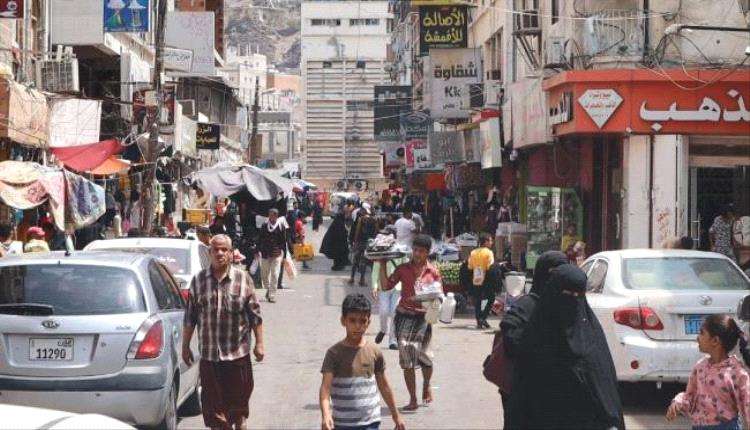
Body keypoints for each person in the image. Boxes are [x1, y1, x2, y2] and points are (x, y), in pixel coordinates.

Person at [515, 264, 624, 429]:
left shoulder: (591, 337)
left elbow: (606, 393)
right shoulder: (535, 337)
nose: (572, 300)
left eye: (578, 295)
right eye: (567, 294)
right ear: (553, 293)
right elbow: (520, 395)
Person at [182, 234, 264, 430]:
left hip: (237, 358)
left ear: (230, 253)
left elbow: (255, 316)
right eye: (215, 250)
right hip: (210, 358)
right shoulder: (199, 281)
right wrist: (185, 347)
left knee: (238, 413)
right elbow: (190, 317)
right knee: (215, 414)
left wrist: (260, 344)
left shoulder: (243, 279)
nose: (219, 253)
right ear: (209, 253)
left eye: (224, 250)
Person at [500, 251, 568, 428]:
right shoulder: (525, 307)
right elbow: (511, 341)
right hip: (524, 394)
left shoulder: (572, 306)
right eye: (553, 275)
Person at [319, 294, 406, 430]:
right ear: (343, 321)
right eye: (352, 320)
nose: (357, 326)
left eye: (362, 321)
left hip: (371, 422)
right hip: (343, 423)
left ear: (368, 323)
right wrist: (326, 415)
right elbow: (325, 388)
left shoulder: (374, 351)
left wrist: (396, 415)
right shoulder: (334, 353)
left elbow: (384, 385)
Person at [379, 234, 440, 411]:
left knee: (425, 358)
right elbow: (386, 286)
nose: (417, 254)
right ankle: (413, 399)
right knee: (407, 360)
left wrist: (430, 301)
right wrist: (382, 264)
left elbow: (438, 296)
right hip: (404, 317)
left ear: (427, 253)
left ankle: (426, 384)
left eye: (421, 251)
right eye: (415, 250)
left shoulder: (433, 272)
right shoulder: (402, 269)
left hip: (423, 319)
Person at [666, 314, 749, 430]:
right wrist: (678, 403)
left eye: (701, 333)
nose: (697, 338)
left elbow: (747, 404)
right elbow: (690, 396)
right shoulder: (700, 367)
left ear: (715, 341)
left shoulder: (736, 373)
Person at [372, 253, 407, 350]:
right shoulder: (381, 251)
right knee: (383, 311)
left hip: (398, 287)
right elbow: (375, 271)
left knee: (394, 312)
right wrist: (374, 286)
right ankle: (383, 330)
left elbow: (406, 269)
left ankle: (393, 341)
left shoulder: (401, 252)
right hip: (384, 286)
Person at [257, 209, 288, 303]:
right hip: (265, 254)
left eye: (273, 215)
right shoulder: (264, 225)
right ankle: (268, 289)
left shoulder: (281, 226)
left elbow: (283, 241)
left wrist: (285, 256)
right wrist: (257, 250)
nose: (271, 217)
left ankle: (272, 295)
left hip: (276, 254)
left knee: (275, 274)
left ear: (276, 216)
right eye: (270, 215)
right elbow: (260, 239)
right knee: (264, 275)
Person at [468, 233, 495, 329]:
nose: (492, 242)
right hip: (486, 278)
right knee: (491, 298)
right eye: (490, 240)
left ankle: (479, 320)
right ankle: (483, 317)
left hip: (476, 277)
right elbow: (490, 266)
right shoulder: (489, 252)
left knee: (478, 300)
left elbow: (470, 266)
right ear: (486, 242)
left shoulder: (473, 252)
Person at [349, 204, 378, 286]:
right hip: (368, 243)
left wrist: (355, 241)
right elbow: (376, 232)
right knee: (364, 261)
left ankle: (352, 278)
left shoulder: (361, 219)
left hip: (359, 242)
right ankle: (362, 279)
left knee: (355, 260)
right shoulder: (375, 220)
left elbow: (357, 231)